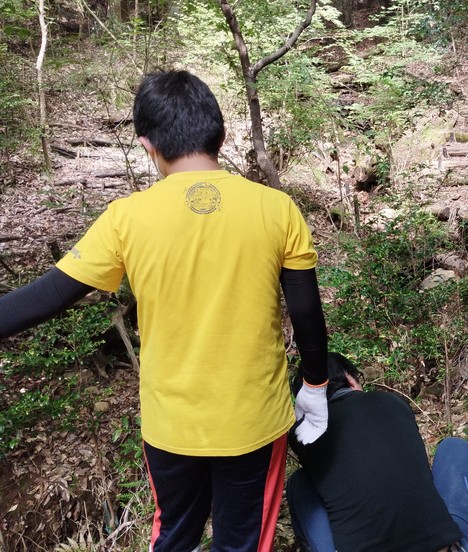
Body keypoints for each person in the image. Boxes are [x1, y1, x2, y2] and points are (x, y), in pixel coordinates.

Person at [0, 70, 329, 552]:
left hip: (171, 426)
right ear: (220, 134)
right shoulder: (277, 208)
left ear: (147, 144)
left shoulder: (126, 218)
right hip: (255, 421)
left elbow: (46, 296)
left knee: (173, 536)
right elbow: (306, 311)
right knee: (242, 543)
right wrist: (316, 385)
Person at [287, 353, 468, 552]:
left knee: (299, 483)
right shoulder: (393, 401)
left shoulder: (300, 434)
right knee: (454, 447)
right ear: (350, 378)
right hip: (441, 546)